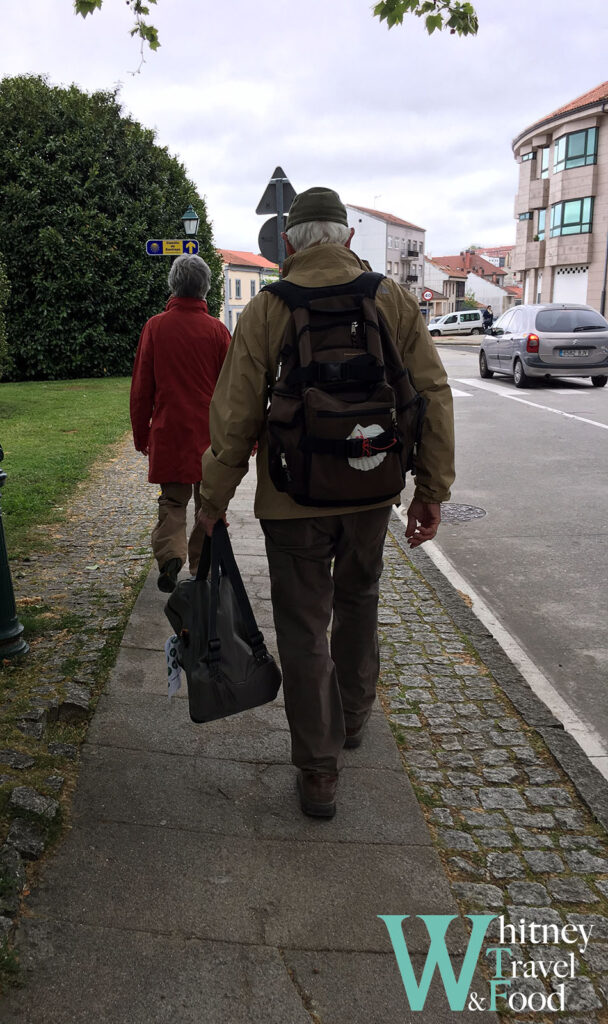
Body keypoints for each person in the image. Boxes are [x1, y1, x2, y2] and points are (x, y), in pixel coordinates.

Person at [197, 187, 455, 819]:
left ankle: (319, 772)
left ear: (288, 244)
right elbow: (432, 392)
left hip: (291, 501)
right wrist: (431, 489)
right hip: (372, 492)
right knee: (360, 599)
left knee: (304, 629)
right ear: (346, 238)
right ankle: (356, 716)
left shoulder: (267, 310)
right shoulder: (389, 298)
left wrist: (211, 502)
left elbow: (233, 417)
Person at [130, 253, 230, 592]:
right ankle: (201, 568)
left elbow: (142, 387)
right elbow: (232, 388)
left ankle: (171, 554)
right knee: (208, 504)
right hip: (209, 435)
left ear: (174, 285)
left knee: (173, 502)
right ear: (204, 288)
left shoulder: (155, 327)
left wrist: (141, 434)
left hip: (170, 430)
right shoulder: (217, 330)